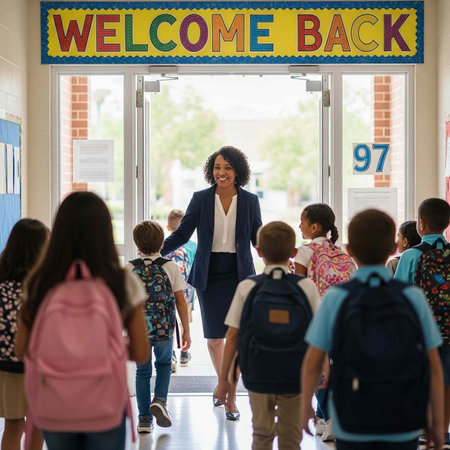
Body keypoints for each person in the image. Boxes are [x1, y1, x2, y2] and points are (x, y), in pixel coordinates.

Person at [15, 192, 150, 450]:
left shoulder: (40, 283)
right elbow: (142, 352)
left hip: (54, 406)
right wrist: (104, 349)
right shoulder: (121, 282)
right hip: (104, 406)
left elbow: (22, 348)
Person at [301, 209, 444, 450]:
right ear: (393, 248)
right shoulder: (412, 297)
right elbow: (434, 367)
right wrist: (437, 423)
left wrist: (305, 405)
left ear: (351, 250)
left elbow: (313, 361)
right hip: (403, 417)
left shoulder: (337, 297)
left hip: (352, 417)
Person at [161, 145, 262, 420]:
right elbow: (182, 234)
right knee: (215, 338)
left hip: (240, 275)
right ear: (211, 170)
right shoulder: (201, 199)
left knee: (236, 337)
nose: (222, 172)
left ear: (238, 170)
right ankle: (227, 389)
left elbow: (257, 238)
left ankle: (225, 391)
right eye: (217, 167)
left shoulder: (250, 201)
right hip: (209, 274)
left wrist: (279, 257)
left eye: (228, 167)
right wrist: (155, 253)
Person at [216, 221, 320, 449]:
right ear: (294, 253)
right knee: (291, 438)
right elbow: (319, 336)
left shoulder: (247, 286)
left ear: (259, 251)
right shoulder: (306, 286)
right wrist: (323, 372)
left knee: (261, 434)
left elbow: (233, 336)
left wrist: (224, 381)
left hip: (258, 372)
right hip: (295, 374)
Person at [294, 202, 355, 441]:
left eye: (303, 221)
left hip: (316, 317)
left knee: (319, 368)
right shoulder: (340, 251)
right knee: (334, 366)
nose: (300, 225)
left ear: (315, 226)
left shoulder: (305, 251)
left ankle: (329, 419)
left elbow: (300, 289)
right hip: (341, 315)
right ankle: (322, 418)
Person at [394, 198, 450, 447]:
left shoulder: (410, 255)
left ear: (421, 225)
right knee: (447, 381)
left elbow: (398, 293)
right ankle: (444, 429)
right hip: (449, 330)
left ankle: (424, 427)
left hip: (419, 332)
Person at [131, 220, 191, 433]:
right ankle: (160, 400)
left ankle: (144, 419)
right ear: (162, 243)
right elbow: (181, 301)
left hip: (138, 330)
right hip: (165, 328)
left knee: (142, 371)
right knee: (164, 365)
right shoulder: (170, 267)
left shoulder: (130, 268)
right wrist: (186, 329)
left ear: (136, 243)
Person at [0, 219, 48, 450]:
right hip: (40, 368)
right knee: (38, 425)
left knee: (12, 425)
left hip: (6, 368)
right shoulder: (43, 287)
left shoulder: (2, 284)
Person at [166, 209, 195, 369]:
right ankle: (185, 352)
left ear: (168, 228)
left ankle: (172, 356)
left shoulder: (165, 244)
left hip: (167, 289)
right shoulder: (193, 246)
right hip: (187, 289)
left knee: (171, 320)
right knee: (185, 319)